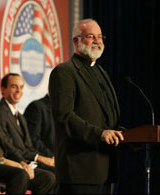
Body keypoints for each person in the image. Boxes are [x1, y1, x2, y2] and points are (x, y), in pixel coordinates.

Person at [48, 18, 125, 194]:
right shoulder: (65, 71)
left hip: (104, 169)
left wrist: (125, 135)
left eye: (100, 37)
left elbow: (107, 117)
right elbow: (64, 116)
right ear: (76, 40)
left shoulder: (101, 72)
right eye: (91, 36)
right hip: (79, 170)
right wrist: (100, 134)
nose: (98, 41)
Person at [0, 73, 56, 173]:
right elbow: (8, 146)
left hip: (28, 161)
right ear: (3, 89)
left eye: (21, 87)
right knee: (50, 176)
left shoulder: (20, 116)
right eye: (14, 86)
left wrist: (42, 158)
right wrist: (38, 158)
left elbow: (29, 146)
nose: (18, 91)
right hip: (13, 163)